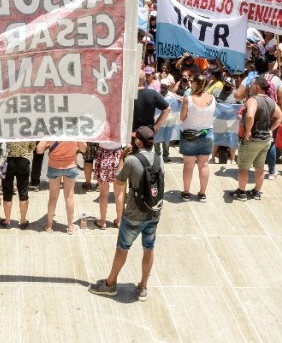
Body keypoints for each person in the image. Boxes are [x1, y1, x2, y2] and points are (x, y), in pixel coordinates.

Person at [89, 126, 163, 301]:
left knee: (122, 248)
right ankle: (143, 287)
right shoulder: (160, 160)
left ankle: (110, 284)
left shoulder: (131, 161)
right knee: (149, 249)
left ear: (138, 142)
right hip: (153, 212)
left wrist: (122, 158)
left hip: (134, 214)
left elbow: (119, 181)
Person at [233, 77, 282, 201]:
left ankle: (241, 192)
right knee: (260, 167)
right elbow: (280, 117)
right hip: (265, 140)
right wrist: (270, 129)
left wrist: (248, 131)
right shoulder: (271, 101)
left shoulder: (253, 100)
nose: (250, 87)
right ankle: (256, 192)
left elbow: (250, 116)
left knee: (243, 167)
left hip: (252, 139)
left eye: (252, 85)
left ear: (257, 87)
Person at [178, 76, 216, 201]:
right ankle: (202, 193)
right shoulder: (212, 98)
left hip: (189, 135)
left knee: (188, 165)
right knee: (204, 165)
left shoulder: (188, 99)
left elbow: (182, 117)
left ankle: (186, 192)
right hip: (206, 134)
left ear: (194, 83)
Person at [37, 138, 86, 233]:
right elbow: (83, 149)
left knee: (53, 197)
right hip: (71, 166)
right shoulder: (74, 133)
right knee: (69, 197)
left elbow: (39, 150)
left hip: (54, 166)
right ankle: (70, 226)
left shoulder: (52, 132)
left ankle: (49, 226)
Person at [0, 140, 34, 229]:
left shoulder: (7, 131)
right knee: (23, 193)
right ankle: (23, 221)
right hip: (24, 160)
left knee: (7, 192)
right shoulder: (28, 132)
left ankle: (7, 221)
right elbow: (33, 146)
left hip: (8, 160)